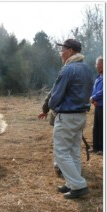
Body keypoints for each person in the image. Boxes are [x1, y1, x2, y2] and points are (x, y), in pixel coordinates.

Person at [48, 39, 93, 199]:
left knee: (61, 152)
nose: (61, 53)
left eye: (63, 50)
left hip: (67, 116)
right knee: (73, 150)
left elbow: (56, 95)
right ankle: (70, 182)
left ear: (71, 51)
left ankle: (78, 185)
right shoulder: (87, 69)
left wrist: (51, 106)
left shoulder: (68, 70)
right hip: (80, 115)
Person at [90, 56, 103, 155]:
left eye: (99, 65)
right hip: (97, 105)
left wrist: (93, 97)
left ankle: (102, 149)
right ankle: (95, 147)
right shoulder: (98, 78)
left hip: (103, 106)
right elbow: (94, 91)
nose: (97, 67)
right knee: (96, 127)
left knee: (102, 127)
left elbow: (103, 92)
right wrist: (93, 99)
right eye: (96, 65)